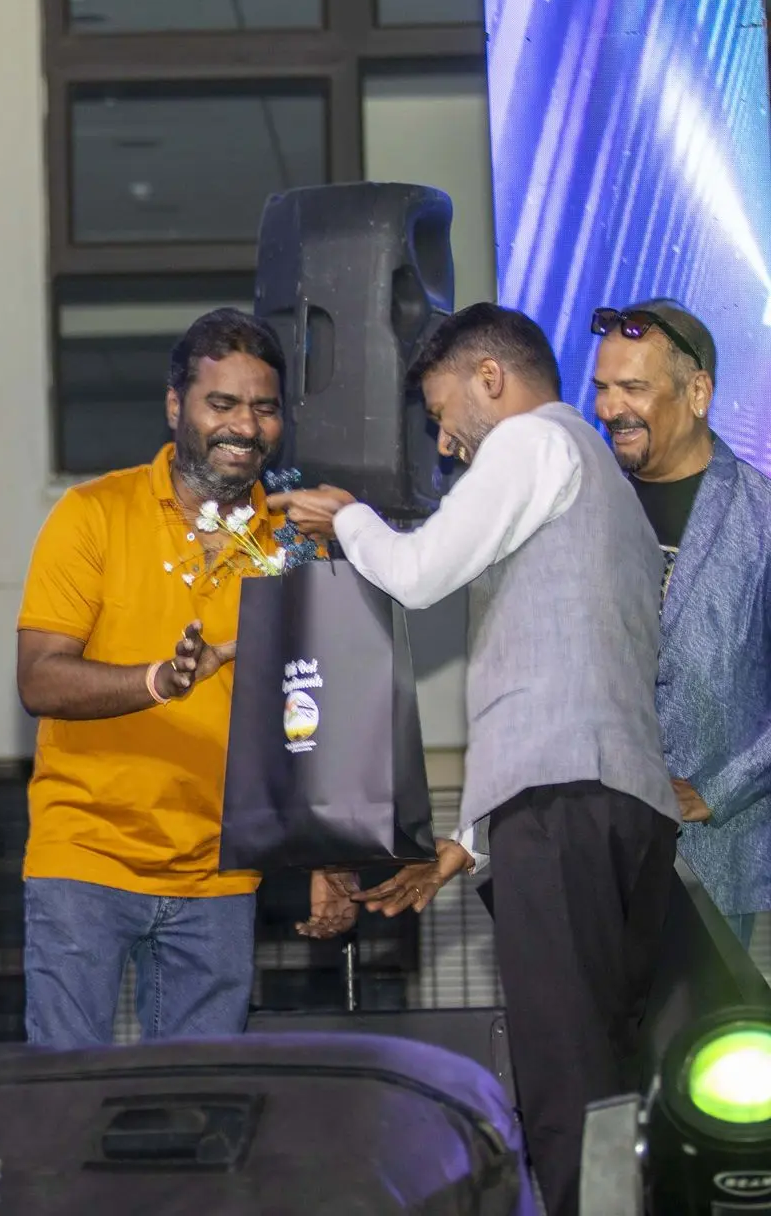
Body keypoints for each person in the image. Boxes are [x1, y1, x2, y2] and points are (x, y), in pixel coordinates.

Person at [270, 303, 678, 1216]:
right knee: (607, 1078)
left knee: (564, 1081)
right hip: (622, 807)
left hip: (565, 810)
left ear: (490, 377)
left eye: (442, 411)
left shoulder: (531, 442)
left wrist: (350, 520)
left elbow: (417, 574)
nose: (446, 442)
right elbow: (565, 670)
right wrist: (471, 839)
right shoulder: (605, 480)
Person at [14, 308, 305, 1052]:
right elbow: (40, 680)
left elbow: (314, 707)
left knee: (198, 1103)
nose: (245, 425)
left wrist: (329, 854)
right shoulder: (93, 514)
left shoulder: (295, 539)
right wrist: (158, 682)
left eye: (264, 407)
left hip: (222, 875)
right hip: (86, 857)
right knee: (68, 1095)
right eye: (222, 403)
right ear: (176, 406)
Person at [591, 299, 771, 947]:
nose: (610, 408)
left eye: (633, 388)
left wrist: (716, 790)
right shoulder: (582, 510)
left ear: (698, 393)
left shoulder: (761, 519)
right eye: (602, 388)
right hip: (587, 854)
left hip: (710, 867)